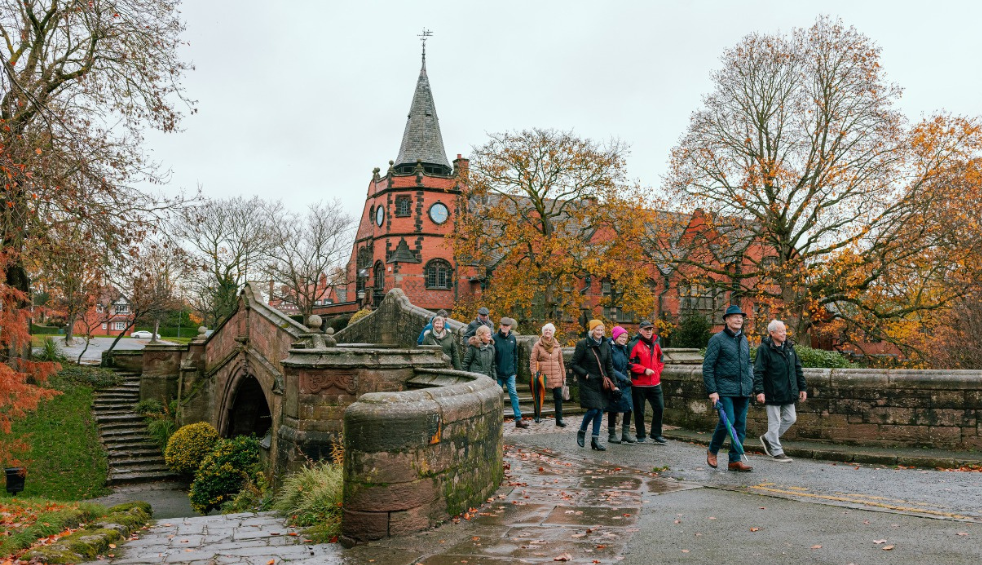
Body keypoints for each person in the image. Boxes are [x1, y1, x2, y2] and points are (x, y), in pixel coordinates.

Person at [703, 305, 754, 472]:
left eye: (741, 317)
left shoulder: (744, 339)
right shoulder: (717, 339)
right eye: (735, 317)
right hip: (724, 389)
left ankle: (734, 460)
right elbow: (708, 367)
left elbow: (748, 363)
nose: (739, 320)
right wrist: (712, 391)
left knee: (740, 425)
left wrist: (750, 380)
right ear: (726, 319)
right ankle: (713, 450)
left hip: (743, 390)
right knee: (728, 422)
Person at [754, 319, 807, 463]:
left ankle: (768, 438)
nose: (784, 333)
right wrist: (759, 391)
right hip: (772, 391)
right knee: (774, 422)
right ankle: (777, 451)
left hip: (788, 391)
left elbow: (797, 369)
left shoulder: (789, 348)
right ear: (772, 333)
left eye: (785, 330)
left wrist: (802, 387)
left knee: (791, 418)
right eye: (781, 331)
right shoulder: (764, 349)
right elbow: (758, 371)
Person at [570, 319, 616, 451]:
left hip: (601, 383)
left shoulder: (606, 345)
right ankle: (582, 431)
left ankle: (595, 440)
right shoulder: (583, 344)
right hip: (588, 382)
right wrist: (585, 374)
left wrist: (615, 385)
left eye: (601, 330)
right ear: (592, 331)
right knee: (594, 409)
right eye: (597, 330)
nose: (600, 332)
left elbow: (609, 366)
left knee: (600, 409)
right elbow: (574, 363)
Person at [628, 320, 666, 444]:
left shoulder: (656, 343)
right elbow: (629, 364)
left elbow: (661, 358)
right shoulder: (634, 344)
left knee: (659, 408)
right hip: (639, 384)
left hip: (654, 383)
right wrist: (644, 370)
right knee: (639, 411)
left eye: (650, 329)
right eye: (646, 329)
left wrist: (657, 371)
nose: (649, 331)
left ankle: (656, 434)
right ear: (640, 331)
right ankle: (640, 434)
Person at [493, 317, 528, 428]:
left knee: (513, 394)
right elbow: (492, 358)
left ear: (510, 327)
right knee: (497, 396)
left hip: (510, 373)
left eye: (507, 325)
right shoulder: (494, 338)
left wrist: (515, 370)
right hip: (498, 373)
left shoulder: (513, 338)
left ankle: (518, 419)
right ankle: (496, 418)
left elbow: (516, 356)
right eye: (503, 325)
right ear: (500, 325)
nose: (504, 327)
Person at [530, 323, 567, 427]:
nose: (548, 332)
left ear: (553, 332)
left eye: (550, 330)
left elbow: (561, 362)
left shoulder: (557, 346)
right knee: (538, 396)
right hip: (542, 375)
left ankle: (559, 419)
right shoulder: (538, 345)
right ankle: (537, 416)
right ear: (543, 332)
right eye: (546, 330)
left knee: (558, 397)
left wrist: (564, 376)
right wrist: (534, 373)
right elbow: (533, 360)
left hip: (556, 375)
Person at [607, 326, 635, 444]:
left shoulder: (624, 349)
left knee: (628, 408)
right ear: (615, 336)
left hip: (625, 382)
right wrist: (623, 379)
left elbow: (626, 363)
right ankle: (612, 434)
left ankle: (625, 434)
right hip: (615, 381)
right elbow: (610, 367)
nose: (623, 339)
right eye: (621, 337)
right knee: (613, 409)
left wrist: (634, 365)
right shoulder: (610, 348)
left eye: (625, 337)